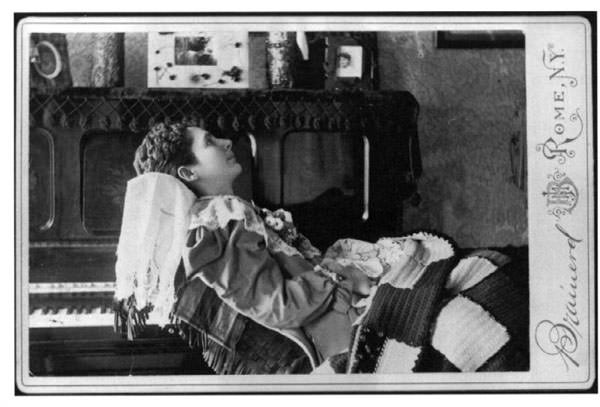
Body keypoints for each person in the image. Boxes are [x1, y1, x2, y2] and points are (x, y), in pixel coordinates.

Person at [115, 121, 529, 375]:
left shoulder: (230, 213)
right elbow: (275, 306)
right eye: (210, 141)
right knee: (483, 278)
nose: (226, 141)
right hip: (333, 322)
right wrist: (334, 279)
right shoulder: (219, 222)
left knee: (471, 272)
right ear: (189, 171)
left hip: (334, 297)